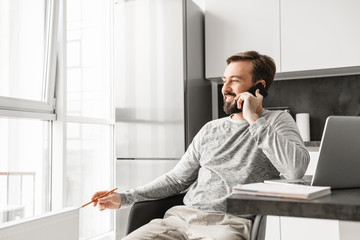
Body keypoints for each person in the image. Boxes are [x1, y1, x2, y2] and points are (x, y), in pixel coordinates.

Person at [91, 51, 310, 240]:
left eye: (234, 80)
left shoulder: (276, 121)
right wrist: (125, 197)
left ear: (259, 87)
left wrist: (253, 117)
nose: (224, 88)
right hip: (180, 219)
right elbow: (177, 179)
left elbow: (295, 169)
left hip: (229, 225)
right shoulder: (210, 129)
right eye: (224, 80)